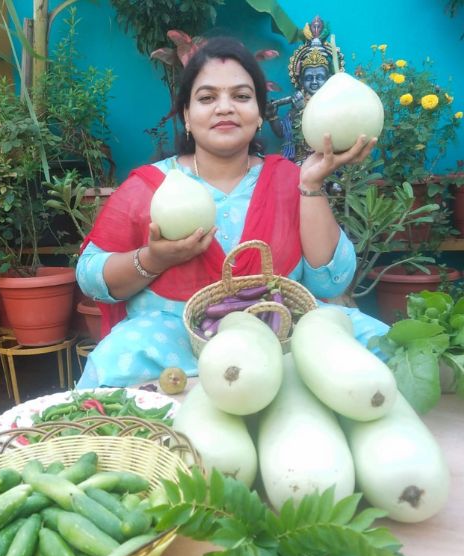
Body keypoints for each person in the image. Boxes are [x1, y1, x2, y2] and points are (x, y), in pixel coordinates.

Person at [75, 36, 388, 389]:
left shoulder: (290, 179)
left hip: (280, 333)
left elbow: (330, 282)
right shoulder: (151, 187)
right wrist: (153, 259)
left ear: (258, 115)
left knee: (377, 343)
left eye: (241, 96)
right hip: (172, 341)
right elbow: (91, 278)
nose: (225, 107)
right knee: (117, 359)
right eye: (207, 98)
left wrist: (312, 185)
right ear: (186, 117)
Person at [264, 16, 345, 162]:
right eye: (308, 78)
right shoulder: (296, 104)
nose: (314, 82)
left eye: (319, 77)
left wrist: (304, 110)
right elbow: (283, 132)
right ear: (300, 80)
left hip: (328, 161)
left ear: (329, 78)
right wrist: (272, 117)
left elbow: (332, 130)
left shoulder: (334, 104)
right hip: (299, 160)